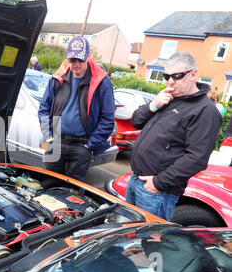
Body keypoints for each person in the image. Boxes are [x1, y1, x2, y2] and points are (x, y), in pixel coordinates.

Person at [126, 51, 222, 221]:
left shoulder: (205, 111)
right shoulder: (167, 98)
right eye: (166, 76)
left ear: (193, 74)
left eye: (177, 76)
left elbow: (196, 158)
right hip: (135, 179)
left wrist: (158, 182)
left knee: (147, 242)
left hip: (156, 191)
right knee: (126, 235)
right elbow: (136, 121)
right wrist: (153, 105)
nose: (170, 81)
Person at [38, 36, 115, 182]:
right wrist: (47, 135)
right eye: (73, 59)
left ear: (88, 57)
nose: (76, 64)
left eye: (80, 60)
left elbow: (108, 119)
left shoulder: (101, 82)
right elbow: (44, 108)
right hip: (56, 142)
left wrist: (90, 145)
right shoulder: (57, 78)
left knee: (72, 192)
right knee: (48, 185)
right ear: (68, 59)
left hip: (82, 147)